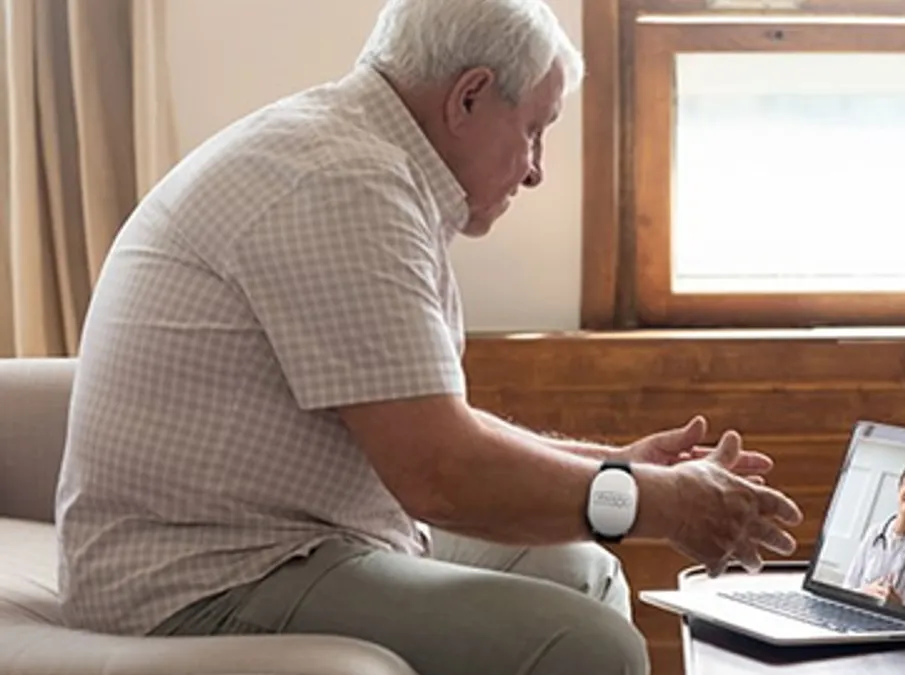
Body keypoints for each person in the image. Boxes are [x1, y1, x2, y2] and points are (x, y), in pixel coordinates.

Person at [52, 1, 803, 674]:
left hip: (287, 534)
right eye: (534, 130)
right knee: (588, 645)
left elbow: (430, 424)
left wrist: (617, 468)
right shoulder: (343, 185)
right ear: (469, 95)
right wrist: (660, 502)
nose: (537, 169)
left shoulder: (351, 156)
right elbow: (441, 471)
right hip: (202, 577)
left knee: (581, 568)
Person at [842, 454, 905, 609]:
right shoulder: (874, 532)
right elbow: (847, 587)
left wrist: (896, 602)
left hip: (889, 618)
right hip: (859, 609)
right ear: (899, 487)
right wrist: (866, 591)